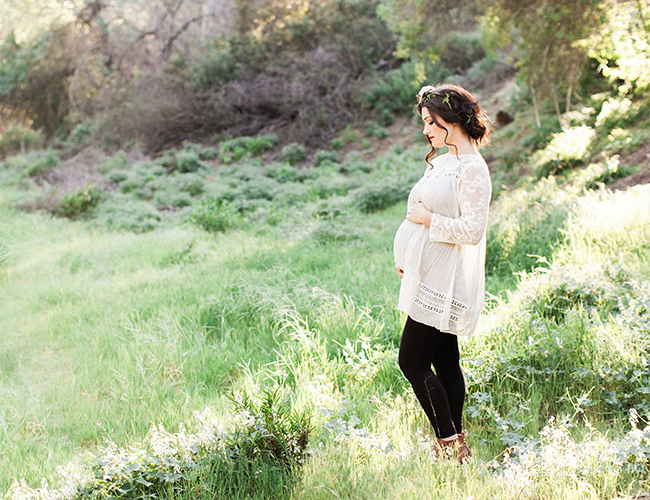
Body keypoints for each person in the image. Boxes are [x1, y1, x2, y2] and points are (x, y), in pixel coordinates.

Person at [393, 83, 492, 462]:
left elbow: (472, 230)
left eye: (431, 122)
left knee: (412, 362)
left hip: (445, 280)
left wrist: (427, 219)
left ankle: (450, 445)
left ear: (452, 120)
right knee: (445, 360)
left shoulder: (472, 170)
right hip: (428, 274)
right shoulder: (447, 161)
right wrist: (408, 253)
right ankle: (457, 442)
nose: (425, 131)